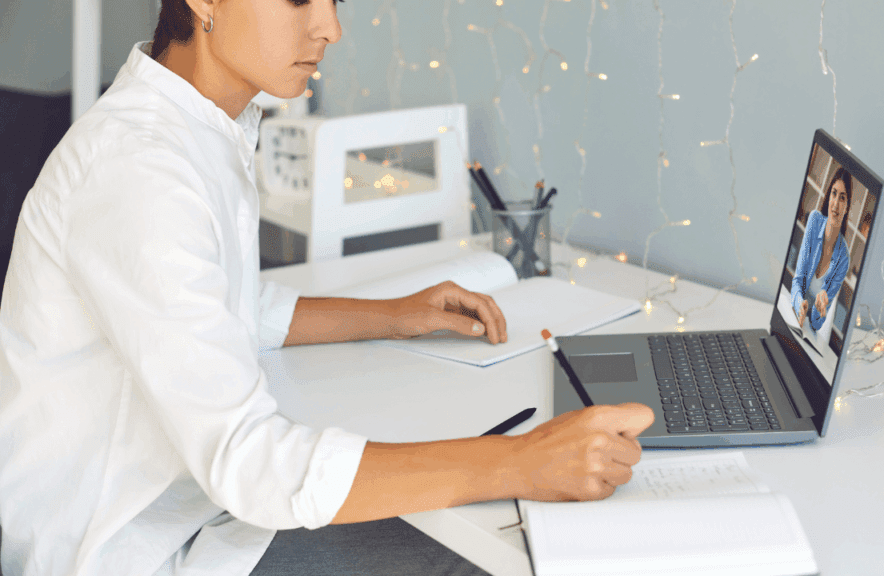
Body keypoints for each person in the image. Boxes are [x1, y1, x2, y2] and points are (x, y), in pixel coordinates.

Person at [0, 0, 655, 574]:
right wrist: (518, 462)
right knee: (486, 555)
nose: (332, 27)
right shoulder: (138, 168)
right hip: (133, 554)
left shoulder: (198, 127)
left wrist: (395, 315)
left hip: (190, 518)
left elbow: (233, 307)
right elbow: (249, 463)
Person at [791, 166, 852, 333]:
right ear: (828, 195)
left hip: (810, 332)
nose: (836, 203)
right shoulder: (814, 221)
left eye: (842, 198)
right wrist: (799, 305)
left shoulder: (844, 258)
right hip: (795, 317)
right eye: (834, 193)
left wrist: (819, 310)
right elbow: (798, 280)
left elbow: (818, 324)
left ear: (847, 207)